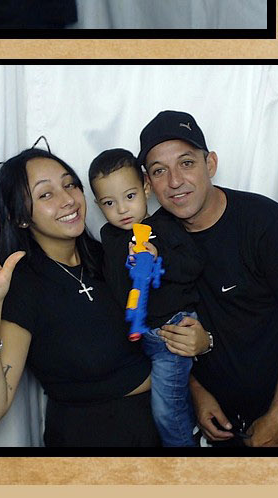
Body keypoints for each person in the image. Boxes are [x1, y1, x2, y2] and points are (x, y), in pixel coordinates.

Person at [0, 145, 208, 447]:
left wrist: (200, 367)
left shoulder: (109, 257)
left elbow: (164, 323)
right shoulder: (23, 286)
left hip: (165, 429)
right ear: (21, 217)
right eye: (45, 194)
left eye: (69, 184)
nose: (68, 200)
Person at [139, 111, 278, 448]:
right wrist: (196, 392)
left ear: (210, 164)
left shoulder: (265, 222)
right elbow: (157, 331)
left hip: (275, 414)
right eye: (160, 171)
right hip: (210, 423)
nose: (175, 181)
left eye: (186, 163)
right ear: (148, 183)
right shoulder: (151, 239)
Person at [88, 147, 207, 448]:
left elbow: (194, 265)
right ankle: (192, 431)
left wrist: (158, 258)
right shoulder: (109, 237)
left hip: (171, 332)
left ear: (145, 187)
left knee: (165, 411)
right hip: (140, 337)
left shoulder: (164, 225)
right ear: (98, 205)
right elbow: (115, 287)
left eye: (129, 196)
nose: (122, 209)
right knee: (166, 405)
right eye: (109, 203)